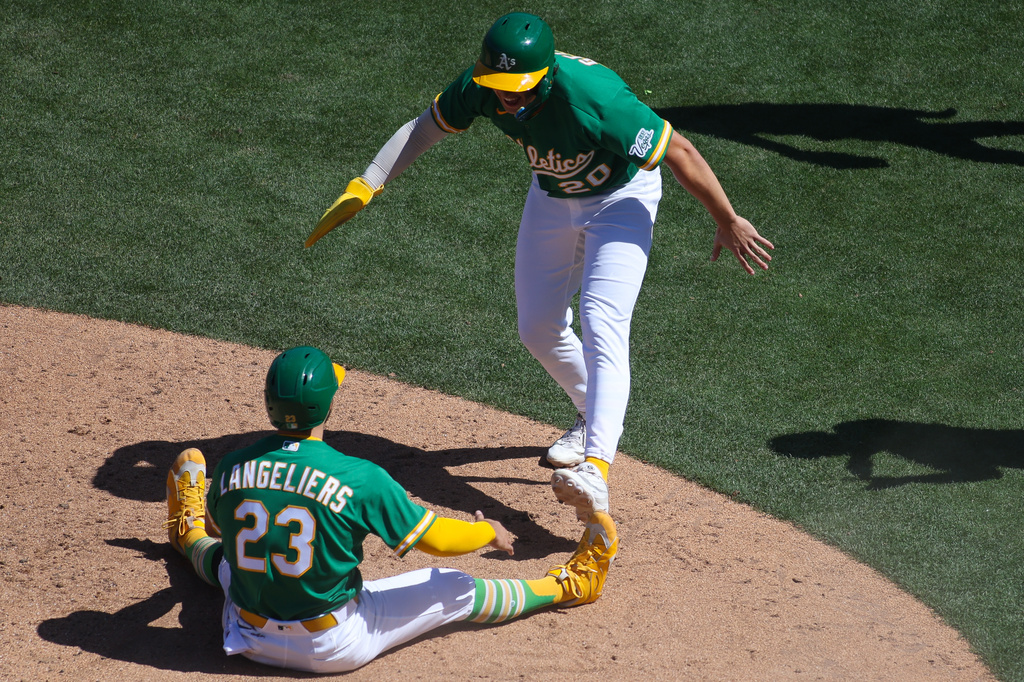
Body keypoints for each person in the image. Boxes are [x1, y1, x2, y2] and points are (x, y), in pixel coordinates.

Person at [304, 13, 774, 523]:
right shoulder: (483, 85)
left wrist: (726, 218)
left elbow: (678, 148)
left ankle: (596, 467)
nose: (508, 98)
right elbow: (425, 128)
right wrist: (368, 182)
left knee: (601, 322)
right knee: (538, 327)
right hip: (552, 198)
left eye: (519, 88)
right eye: (499, 87)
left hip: (620, 200)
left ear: (546, 75)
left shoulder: (594, 98)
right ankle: (593, 413)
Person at [163, 345, 618, 673]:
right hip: (329, 644)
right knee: (454, 588)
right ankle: (570, 586)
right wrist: (486, 531)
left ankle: (187, 537)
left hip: (245, 637)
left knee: (233, 563)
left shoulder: (233, 466)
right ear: (327, 404)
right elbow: (437, 541)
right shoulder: (359, 477)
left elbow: (228, 527)